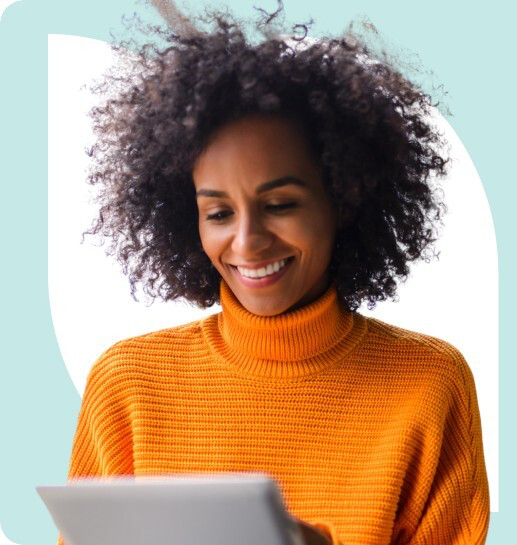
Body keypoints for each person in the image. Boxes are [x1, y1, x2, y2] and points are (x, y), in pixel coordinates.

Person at [57, 1, 490, 544]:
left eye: (280, 204)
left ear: (344, 201)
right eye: (218, 213)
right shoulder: (127, 386)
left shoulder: (428, 384)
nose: (247, 241)